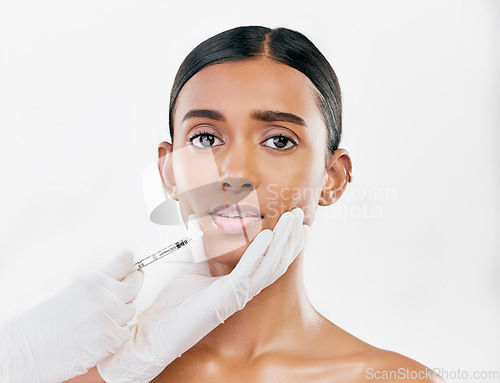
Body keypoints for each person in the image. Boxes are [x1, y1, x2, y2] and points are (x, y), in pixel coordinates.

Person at [71, 25, 444, 382]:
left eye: (279, 141)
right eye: (204, 139)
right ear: (169, 172)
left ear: (332, 178)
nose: (235, 173)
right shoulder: (100, 372)